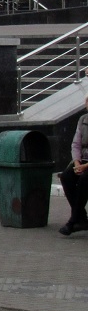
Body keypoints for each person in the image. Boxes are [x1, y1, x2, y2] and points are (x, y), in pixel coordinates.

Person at [59, 95, 88, 236]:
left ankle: (73, 221)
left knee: (84, 180)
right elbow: (76, 144)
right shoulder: (82, 120)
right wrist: (77, 162)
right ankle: (81, 218)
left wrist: (85, 167)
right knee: (66, 177)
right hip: (82, 161)